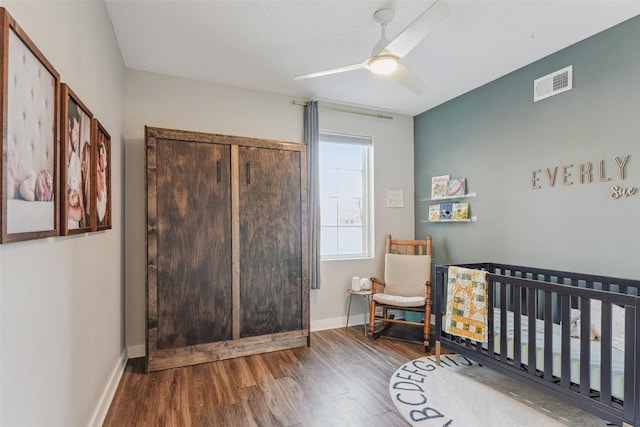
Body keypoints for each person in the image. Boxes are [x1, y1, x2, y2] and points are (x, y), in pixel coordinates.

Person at [66, 102, 85, 229]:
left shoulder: (76, 161)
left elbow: (81, 207)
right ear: (68, 125)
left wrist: (72, 211)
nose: (77, 137)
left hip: (73, 229)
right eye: (76, 132)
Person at [96, 142, 107, 224]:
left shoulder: (102, 169)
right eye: (100, 158)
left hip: (102, 192)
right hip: (101, 192)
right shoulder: (98, 169)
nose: (102, 161)